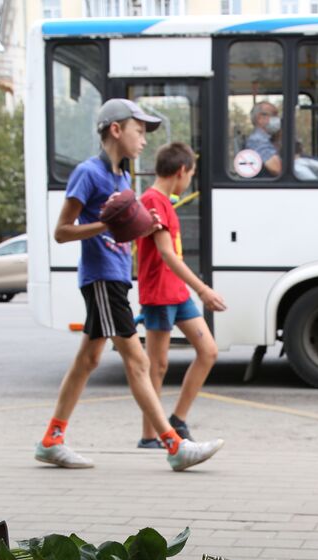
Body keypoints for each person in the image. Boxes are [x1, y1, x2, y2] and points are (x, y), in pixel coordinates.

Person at [35, 98, 223, 473]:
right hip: (101, 276)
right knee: (138, 361)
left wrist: (138, 222)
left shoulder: (123, 178)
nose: (144, 140)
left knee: (87, 360)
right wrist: (106, 225)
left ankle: (51, 440)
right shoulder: (89, 173)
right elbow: (61, 232)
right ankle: (173, 445)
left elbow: (127, 230)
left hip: (118, 278)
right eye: (139, 131)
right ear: (116, 130)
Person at [136, 142, 226, 450]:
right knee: (157, 365)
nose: (191, 180)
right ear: (180, 171)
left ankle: (177, 420)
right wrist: (203, 289)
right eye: (192, 173)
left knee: (208, 351)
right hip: (159, 294)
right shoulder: (151, 201)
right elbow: (166, 254)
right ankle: (150, 435)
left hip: (177, 292)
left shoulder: (165, 200)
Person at [243, 101, 283, 178]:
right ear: (260, 118)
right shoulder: (257, 140)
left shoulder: (269, 139)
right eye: (274, 115)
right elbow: (277, 169)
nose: (278, 119)